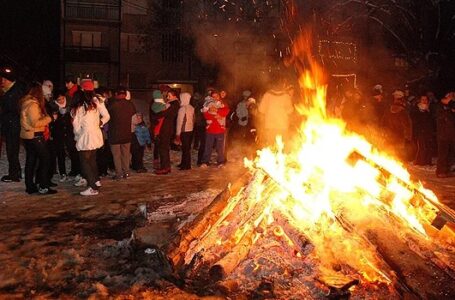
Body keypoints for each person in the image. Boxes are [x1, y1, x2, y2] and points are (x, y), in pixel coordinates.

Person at [71, 79, 110, 196]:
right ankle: (96, 181)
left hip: (86, 135)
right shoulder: (97, 101)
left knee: (84, 162)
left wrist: (77, 136)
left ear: (82, 89)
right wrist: (100, 123)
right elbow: (107, 116)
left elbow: (76, 125)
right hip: (95, 134)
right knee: (92, 160)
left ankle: (92, 187)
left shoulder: (80, 104)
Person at [19, 83, 56, 194]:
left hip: (28, 135)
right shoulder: (33, 105)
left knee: (31, 160)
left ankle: (30, 186)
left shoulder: (26, 103)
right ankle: (43, 186)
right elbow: (35, 122)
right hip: (35, 136)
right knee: (45, 160)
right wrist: (50, 118)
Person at [0, 67, 26, 182]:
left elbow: (12, 110)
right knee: (12, 149)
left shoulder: (13, 93)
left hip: (12, 125)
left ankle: (13, 174)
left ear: (9, 80)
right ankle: (16, 172)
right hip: (12, 124)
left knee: (12, 150)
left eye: (4, 80)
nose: (2, 81)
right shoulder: (11, 91)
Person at [107, 86, 136, 180]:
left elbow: (106, 115)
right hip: (127, 133)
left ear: (116, 94)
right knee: (126, 154)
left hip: (114, 134)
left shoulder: (112, 104)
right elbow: (133, 114)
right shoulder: (130, 104)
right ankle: (126, 172)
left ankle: (119, 173)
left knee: (116, 155)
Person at [51, 89, 80, 182]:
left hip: (70, 132)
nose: (61, 101)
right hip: (58, 134)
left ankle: (75, 171)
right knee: (60, 153)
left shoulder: (71, 104)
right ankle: (63, 173)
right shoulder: (53, 107)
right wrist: (54, 119)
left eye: (62, 98)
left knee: (73, 151)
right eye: (58, 100)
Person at [258, 75, 294, 147]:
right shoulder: (286, 96)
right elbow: (290, 112)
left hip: (269, 127)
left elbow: (261, 111)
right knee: (281, 149)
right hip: (283, 128)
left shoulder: (267, 95)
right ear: (282, 84)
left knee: (270, 149)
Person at [200, 90, 230, 167]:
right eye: (213, 96)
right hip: (210, 129)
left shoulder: (222, 104)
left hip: (220, 129)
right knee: (208, 146)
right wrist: (211, 113)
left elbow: (226, 111)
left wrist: (217, 111)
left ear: (219, 96)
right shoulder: (208, 104)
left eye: (216, 96)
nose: (215, 98)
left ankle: (220, 162)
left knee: (220, 147)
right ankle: (205, 161)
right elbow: (205, 114)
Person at [155, 89, 180, 175]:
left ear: (174, 96)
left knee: (163, 148)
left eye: (169, 95)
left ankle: (165, 167)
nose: (167, 97)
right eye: (167, 95)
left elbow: (165, 113)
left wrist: (159, 113)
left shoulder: (174, 104)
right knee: (163, 148)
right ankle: (165, 166)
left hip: (167, 128)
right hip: (165, 128)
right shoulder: (171, 104)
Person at [410, 95, 434, 166]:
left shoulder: (429, 110)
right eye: (422, 99)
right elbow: (414, 120)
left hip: (428, 131)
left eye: (425, 99)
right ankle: (419, 161)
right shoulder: (416, 109)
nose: (424, 101)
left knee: (428, 146)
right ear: (420, 100)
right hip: (419, 131)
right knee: (421, 147)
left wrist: (428, 112)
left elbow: (431, 121)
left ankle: (427, 161)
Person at [435, 92, 455, 177]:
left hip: (451, 134)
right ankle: (440, 172)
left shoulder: (451, 107)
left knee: (450, 153)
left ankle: (447, 170)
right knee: (443, 154)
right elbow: (439, 116)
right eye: (450, 97)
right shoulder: (439, 106)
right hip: (443, 135)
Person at [175, 92, 194, 170]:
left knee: (185, 149)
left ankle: (186, 165)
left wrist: (177, 133)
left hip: (184, 131)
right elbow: (193, 119)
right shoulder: (191, 107)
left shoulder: (182, 109)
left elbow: (180, 121)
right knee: (187, 148)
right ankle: (184, 163)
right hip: (190, 130)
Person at [149, 90, 166, 170]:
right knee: (160, 146)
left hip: (156, 127)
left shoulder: (153, 105)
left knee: (157, 146)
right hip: (159, 127)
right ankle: (158, 162)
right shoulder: (161, 105)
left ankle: (157, 161)